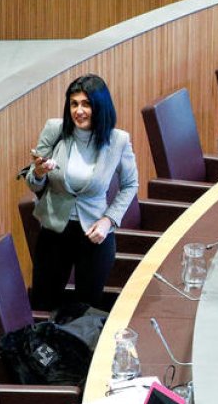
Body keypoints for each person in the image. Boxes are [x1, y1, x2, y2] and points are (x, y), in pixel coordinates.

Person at [26, 74, 138, 309]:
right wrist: (38, 173)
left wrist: (109, 220)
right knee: (43, 305)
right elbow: (33, 182)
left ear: (100, 106)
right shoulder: (54, 129)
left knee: (86, 311)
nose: (79, 111)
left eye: (86, 104)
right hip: (55, 230)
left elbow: (130, 185)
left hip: (94, 234)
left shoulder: (118, 140)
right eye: (74, 104)